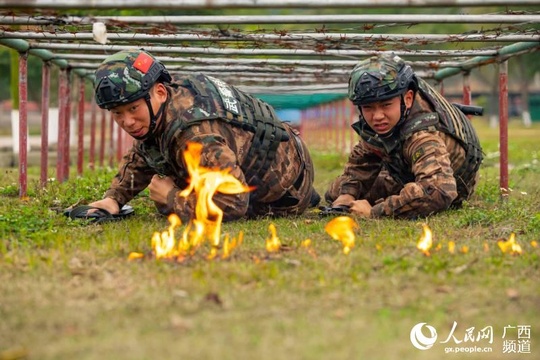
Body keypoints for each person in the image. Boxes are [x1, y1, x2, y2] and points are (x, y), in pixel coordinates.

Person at [72, 49, 319, 222]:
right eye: (117, 113)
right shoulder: (168, 106)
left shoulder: (195, 135)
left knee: (177, 186)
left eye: (133, 108)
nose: (127, 121)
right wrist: (113, 200)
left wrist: (171, 199)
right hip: (281, 157)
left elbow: (234, 202)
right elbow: (146, 152)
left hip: (285, 196)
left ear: (159, 92)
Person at [324, 53, 483, 219]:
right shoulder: (385, 120)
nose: (377, 116)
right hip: (406, 174)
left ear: (407, 99)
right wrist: (346, 196)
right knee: (335, 192)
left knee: (419, 194)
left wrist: (374, 212)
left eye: (386, 105)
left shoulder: (423, 135)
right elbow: (363, 160)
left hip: (449, 184)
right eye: (368, 107)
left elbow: (440, 191)